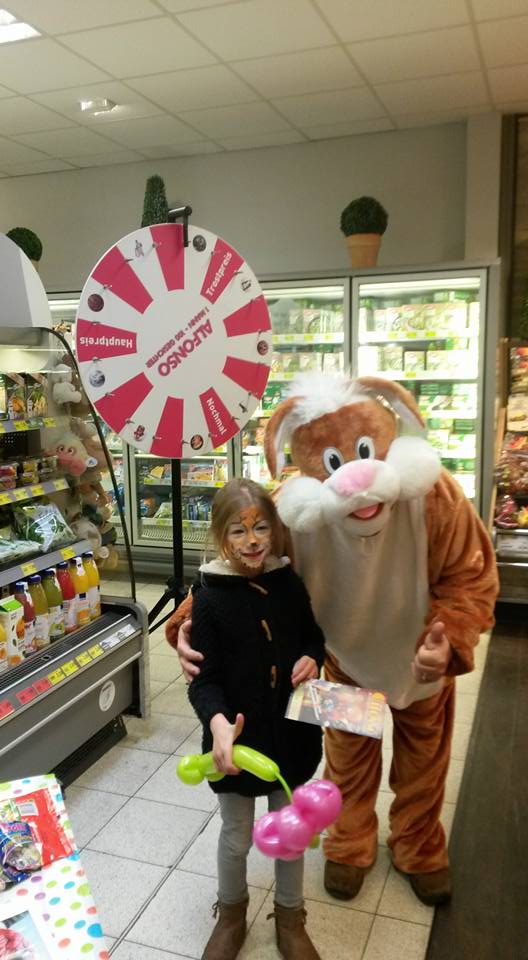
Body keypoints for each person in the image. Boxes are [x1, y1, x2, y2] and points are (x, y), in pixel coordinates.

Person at [169, 373, 499, 910]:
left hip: (422, 659)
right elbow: (239, 568)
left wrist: (452, 637)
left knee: (423, 763)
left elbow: (470, 573)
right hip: (342, 658)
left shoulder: (432, 495)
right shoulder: (291, 512)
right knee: (349, 760)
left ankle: (418, 843)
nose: (356, 479)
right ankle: (350, 838)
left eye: (366, 452)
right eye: (332, 462)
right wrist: (187, 621)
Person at [186, 477, 325, 960]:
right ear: (220, 535)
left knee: (289, 830)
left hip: (291, 736)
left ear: (276, 530)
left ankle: (291, 916)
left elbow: (313, 637)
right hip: (237, 745)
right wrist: (217, 723)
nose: (251, 541)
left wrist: (312, 657)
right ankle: (231, 913)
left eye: (261, 528)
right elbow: (202, 681)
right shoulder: (209, 598)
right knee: (236, 833)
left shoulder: (289, 584)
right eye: (238, 531)